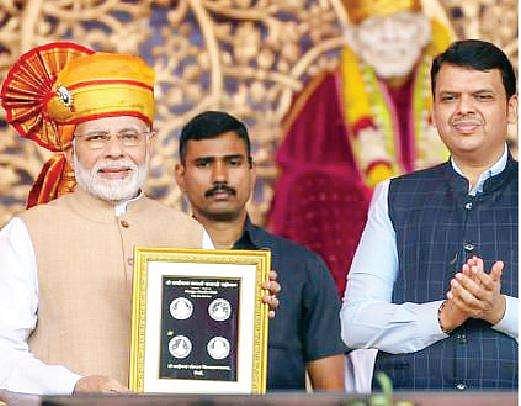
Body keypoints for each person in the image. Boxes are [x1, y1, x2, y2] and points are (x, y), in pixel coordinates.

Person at [0, 43, 279, 395]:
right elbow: (3, 356)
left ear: (150, 144)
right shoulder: (27, 233)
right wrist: (74, 387)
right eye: (97, 138)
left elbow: (210, 353)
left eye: (129, 137)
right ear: (70, 153)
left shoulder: (189, 234)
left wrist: (244, 311)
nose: (115, 151)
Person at [341, 39, 518, 390]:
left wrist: (500, 310)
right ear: (434, 111)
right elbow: (355, 323)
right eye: (449, 98)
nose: (463, 109)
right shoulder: (394, 196)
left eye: (482, 97)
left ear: (510, 109)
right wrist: (443, 316)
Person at [175, 111, 346, 391]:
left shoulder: (301, 268)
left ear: (252, 172)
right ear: (180, 175)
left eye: (233, 162)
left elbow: (332, 393)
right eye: (204, 164)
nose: (220, 176)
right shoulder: (160, 270)